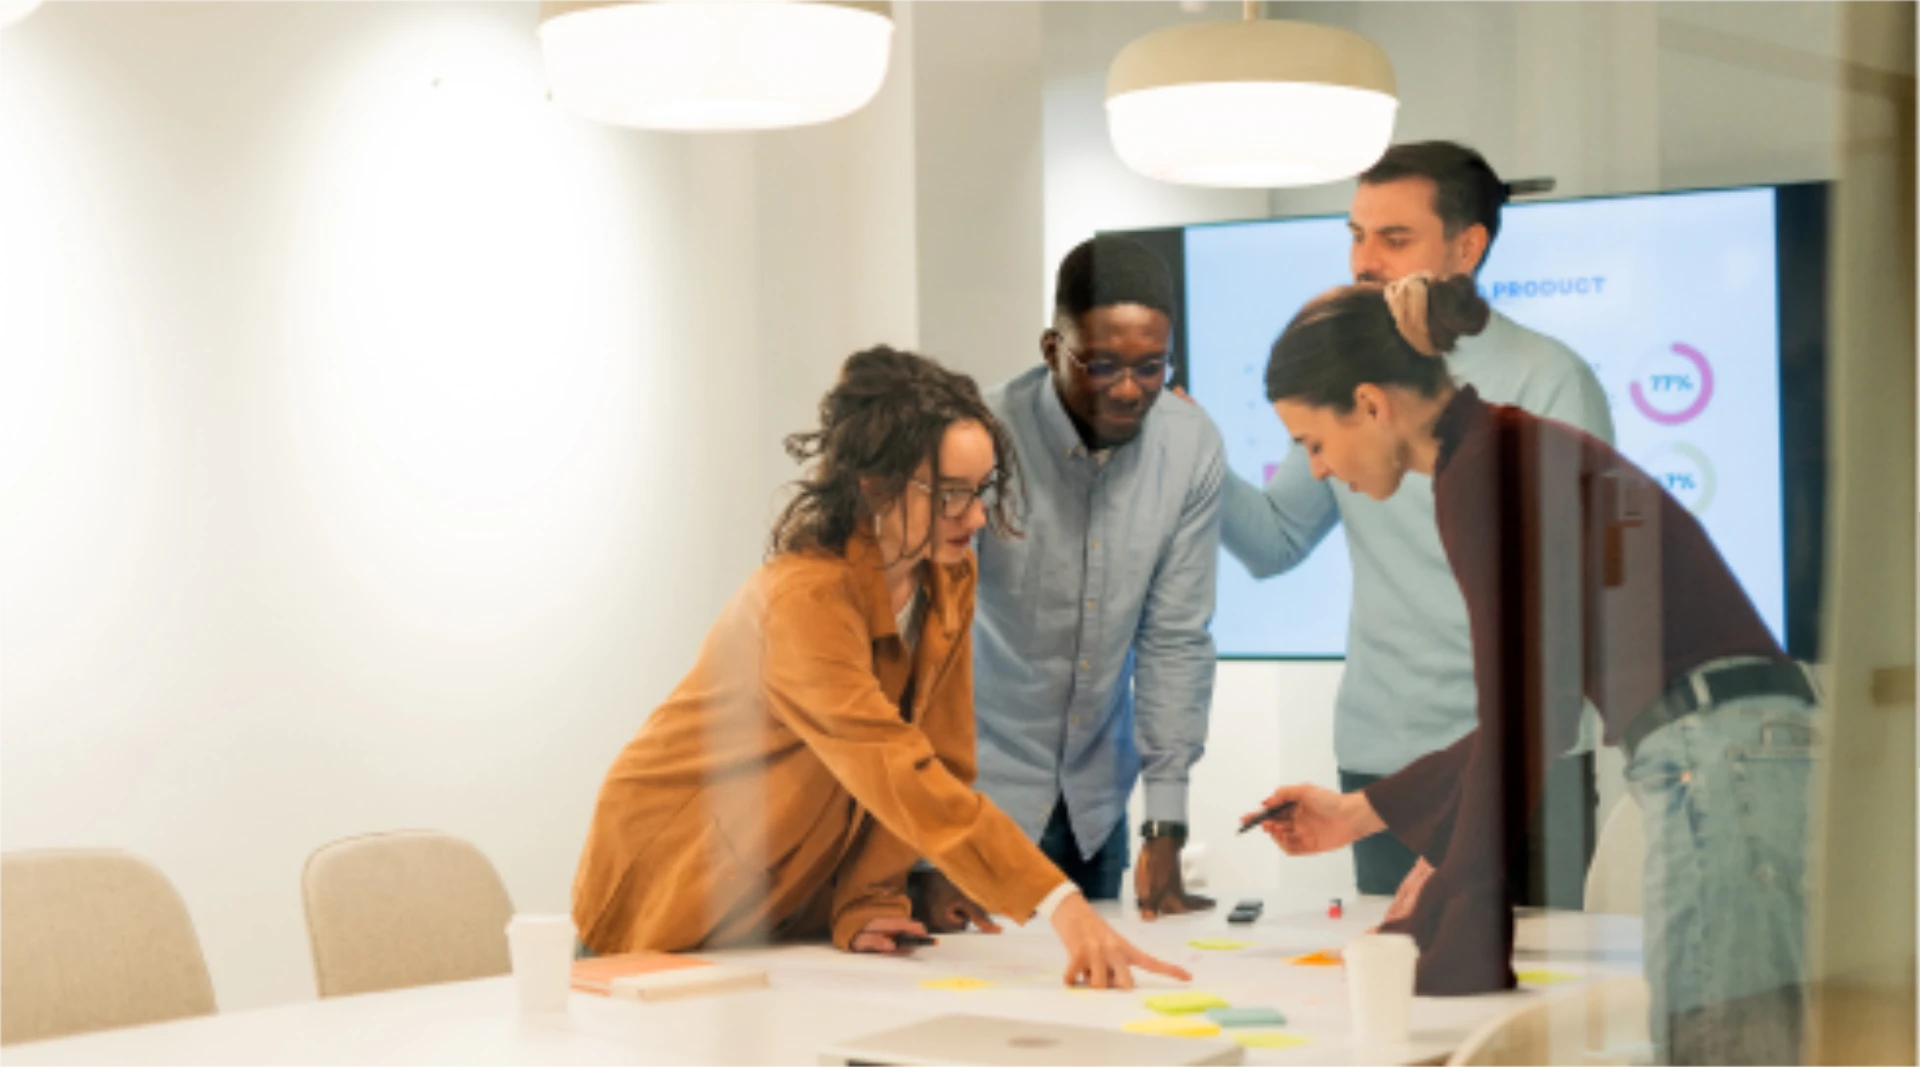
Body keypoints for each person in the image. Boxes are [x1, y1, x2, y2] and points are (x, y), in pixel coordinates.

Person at [1253, 276, 1820, 1066]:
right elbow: (1540, 708)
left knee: (1719, 1050)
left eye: (1312, 441)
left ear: (1372, 404)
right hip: (1743, 745)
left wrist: (1455, 896)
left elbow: (1523, 713)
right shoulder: (1502, 448)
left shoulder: (1480, 473)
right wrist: (1363, 813)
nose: (1315, 469)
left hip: (1716, 754)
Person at [573, 346, 1190, 990]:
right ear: (875, 484)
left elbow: (941, 752)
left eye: (981, 492)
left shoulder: (945, 573)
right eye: (952, 496)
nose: (976, 517)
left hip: (778, 898)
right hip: (673, 880)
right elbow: (893, 765)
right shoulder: (801, 601)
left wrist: (871, 899)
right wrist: (1057, 901)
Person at [1218, 141, 1614, 907]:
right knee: (1402, 988)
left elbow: (1573, 602)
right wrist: (1182, 446)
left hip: (1531, 755)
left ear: (1467, 248)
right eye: (1356, 235)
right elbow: (1273, 541)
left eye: (1393, 239)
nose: (1365, 262)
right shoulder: (1345, 376)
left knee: (1530, 996)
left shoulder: (1548, 380)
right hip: (1384, 752)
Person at [913, 235, 1226, 931]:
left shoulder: (1192, 446)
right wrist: (923, 854)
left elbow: (1174, 636)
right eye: (1102, 363)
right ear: (1052, 346)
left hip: (1093, 805)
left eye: (1151, 366)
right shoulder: (979, 437)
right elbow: (923, 641)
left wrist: (1165, 824)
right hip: (976, 802)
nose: (1127, 388)